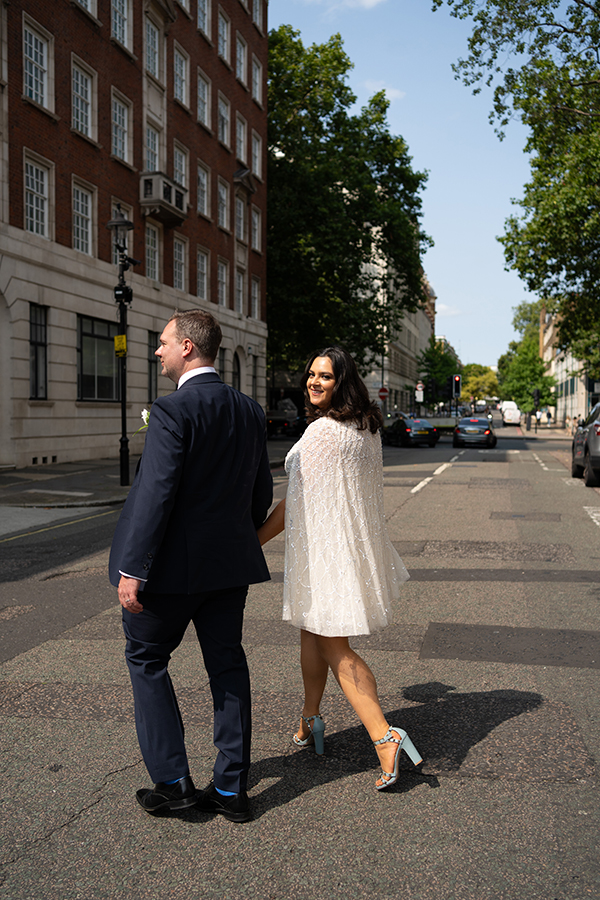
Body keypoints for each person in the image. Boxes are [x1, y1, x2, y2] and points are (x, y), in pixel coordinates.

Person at [109, 310, 272, 822]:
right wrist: (233, 539)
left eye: (162, 343)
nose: (156, 351)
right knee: (226, 666)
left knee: (147, 660)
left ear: (186, 348)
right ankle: (231, 791)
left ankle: (174, 783)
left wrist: (134, 566)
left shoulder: (172, 411)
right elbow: (260, 491)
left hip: (171, 575)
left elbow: (155, 495)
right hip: (229, 569)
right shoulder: (250, 411)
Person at [257, 347, 422, 790]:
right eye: (311, 374)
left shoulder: (324, 434)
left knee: (334, 646)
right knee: (312, 632)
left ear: (341, 382)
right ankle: (310, 721)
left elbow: (294, 502)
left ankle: (384, 736)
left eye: (324, 376)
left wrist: (252, 542)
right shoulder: (365, 429)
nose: (313, 382)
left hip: (326, 555)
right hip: (345, 550)